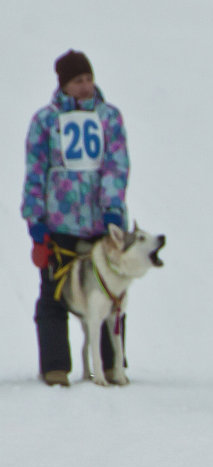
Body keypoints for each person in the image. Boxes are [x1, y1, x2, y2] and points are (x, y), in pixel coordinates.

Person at [22, 49, 129, 387]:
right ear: (64, 85)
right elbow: (35, 170)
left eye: (88, 79)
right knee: (55, 293)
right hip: (59, 223)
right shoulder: (45, 120)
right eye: (77, 81)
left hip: (102, 225)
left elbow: (117, 164)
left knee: (110, 292)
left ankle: (112, 365)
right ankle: (55, 366)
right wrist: (35, 219)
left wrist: (113, 208)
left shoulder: (109, 117)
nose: (85, 86)